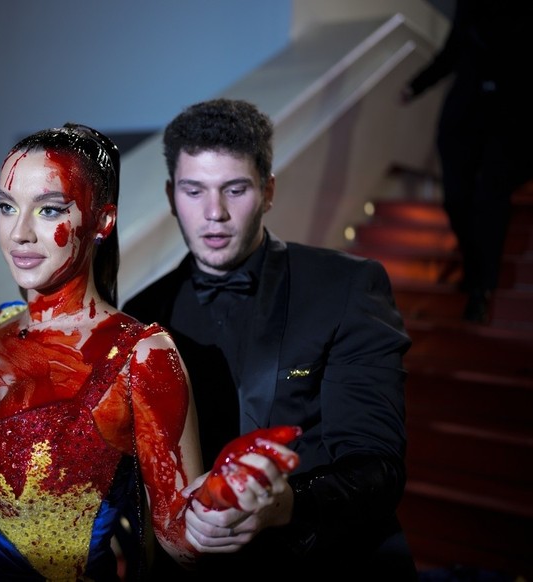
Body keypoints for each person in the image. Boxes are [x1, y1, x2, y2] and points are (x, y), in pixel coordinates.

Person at [0, 123, 239, 580]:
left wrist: (229, 502)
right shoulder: (0, 322)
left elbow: (179, 539)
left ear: (103, 221)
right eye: (6, 207)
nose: (19, 233)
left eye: (49, 210)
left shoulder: (140, 355)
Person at [122, 98, 416, 580]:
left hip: (329, 563)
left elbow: (378, 468)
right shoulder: (141, 315)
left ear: (268, 190)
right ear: (172, 194)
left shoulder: (346, 286)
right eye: (194, 191)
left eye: (234, 190)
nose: (213, 213)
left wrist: (288, 504)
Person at [400, 0, 533, 323]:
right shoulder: (469, 5)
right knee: (456, 199)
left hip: (511, 115)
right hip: (464, 114)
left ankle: (482, 289)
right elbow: (453, 50)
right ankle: (475, 269)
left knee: (490, 198)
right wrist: (416, 84)